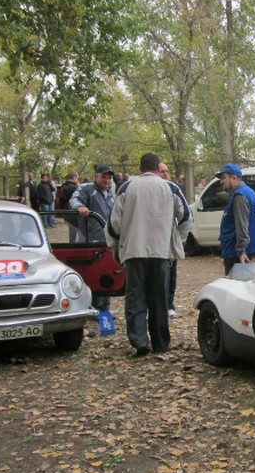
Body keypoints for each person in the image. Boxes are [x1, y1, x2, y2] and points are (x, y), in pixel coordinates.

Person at [107, 153, 188, 356]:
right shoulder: (170, 188)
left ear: (140, 167)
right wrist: (176, 241)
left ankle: (139, 340)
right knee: (159, 298)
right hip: (161, 252)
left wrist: (116, 247)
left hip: (135, 250)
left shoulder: (127, 188)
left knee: (135, 296)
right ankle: (160, 342)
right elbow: (186, 217)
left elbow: (114, 224)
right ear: (156, 167)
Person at [70, 164, 116, 318]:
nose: (107, 180)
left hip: (105, 242)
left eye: (109, 177)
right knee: (88, 274)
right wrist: (80, 207)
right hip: (88, 241)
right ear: (96, 176)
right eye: (104, 177)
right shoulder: (86, 189)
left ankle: (103, 309)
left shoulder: (110, 194)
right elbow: (74, 200)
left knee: (106, 272)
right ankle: (88, 307)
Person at [158, 161, 193, 317]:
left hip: (169, 242)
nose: (166, 174)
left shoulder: (173, 190)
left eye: (167, 171)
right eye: (162, 171)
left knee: (171, 274)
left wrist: (179, 238)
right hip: (151, 244)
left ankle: (169, 304)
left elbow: (186, 216)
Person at [218, 163, 255, 275]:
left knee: (235, 287)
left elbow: (241, 225)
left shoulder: (239, 196)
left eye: (224, 178)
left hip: (236, 254)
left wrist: (241, 251)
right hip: (240, 251)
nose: (221, 181)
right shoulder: (249, 192)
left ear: (233, 178)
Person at [58, 171, 80, 241]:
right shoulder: (74, 188)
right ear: (74, 177)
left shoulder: (63, 186)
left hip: (65, 211)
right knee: (74, 233)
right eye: (77, 178)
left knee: (72, 232)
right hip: (73, 213)